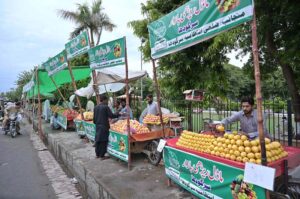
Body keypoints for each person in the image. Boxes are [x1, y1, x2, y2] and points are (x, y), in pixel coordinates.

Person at [93, 94, 119, 160]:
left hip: (98, 126)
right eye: (106, 100)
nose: (107, 102)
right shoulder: (105, 107)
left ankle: (97, 154)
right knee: (103, 141)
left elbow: (94, 119)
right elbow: (111, 115)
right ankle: (102, 156)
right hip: (104, 126)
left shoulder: (96, 107)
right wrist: (118, 114)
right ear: (104, 100)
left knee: (98, 140)